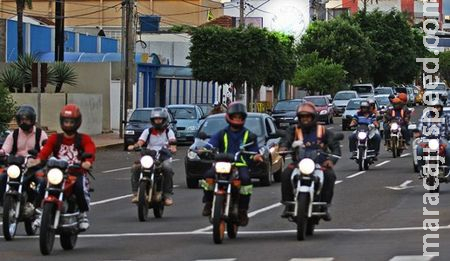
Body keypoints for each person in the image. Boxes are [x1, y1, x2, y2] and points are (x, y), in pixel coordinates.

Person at [27, 104, 96, 231]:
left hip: (76, 173)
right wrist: (37, 160)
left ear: (77, 122)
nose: (68, 124)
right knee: (42, 184)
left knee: (80, 188)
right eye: (66, 121)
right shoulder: (55, 138)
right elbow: (46, 150)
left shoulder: (84, 138)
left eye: (71, 122)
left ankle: (82, 215)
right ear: (61, 122)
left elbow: (90, 149)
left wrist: (87, 162)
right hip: (58, 173)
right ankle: (40, 212)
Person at [200, 102, 264, 226]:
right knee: (208, 175)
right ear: (229, 117)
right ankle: (208, 202)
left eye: (240, 117)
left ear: (243, 119)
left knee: (245, 180)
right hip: (222, 163)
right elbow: (211, 144)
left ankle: (242, 211)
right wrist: (204, 149)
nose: (237, 119)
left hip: (240, 164)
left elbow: (254, 150)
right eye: (234, 117)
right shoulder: (222, 133)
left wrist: (256, 156)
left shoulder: (249, 135)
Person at [279, 102, 341, 221]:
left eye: (307, 116)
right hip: (299, 163)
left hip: (319, 164)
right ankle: (288, 204)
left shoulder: (322, 130)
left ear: (313, 117)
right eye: (302, 117)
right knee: (286, 174)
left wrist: (331, 160)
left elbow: (335, 147)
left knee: (330, 176)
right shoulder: (294, 130)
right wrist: (283, 147)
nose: (305, 119)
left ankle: (324, 206)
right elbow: (285, 140)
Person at [0, 105, 48, 216]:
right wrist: (2, 153)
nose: (23, 122)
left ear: (32, 120)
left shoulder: (41, 134)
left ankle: (35, 204)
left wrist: (39, 154)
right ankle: (3, 204)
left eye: (26, 120)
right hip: (17, 165)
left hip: (34, 166)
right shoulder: (14, 134)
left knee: (41, 181)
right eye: (21, 120)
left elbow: (46, 149)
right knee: (2, 178)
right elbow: (6, 149)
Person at [128, 108, 177, 206]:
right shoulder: (148, 131)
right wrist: (135, 146)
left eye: (160, 119)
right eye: (156, 119)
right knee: (136, 167)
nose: (158, 121)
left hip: (163, 156)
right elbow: (141, 141)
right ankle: (136, 193)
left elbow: (173, 143)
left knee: (167, 168)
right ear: (152, 120)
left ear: (164, 120)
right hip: (149, 156)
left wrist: (172, 148)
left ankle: (167, 195)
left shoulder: (168, 132)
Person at [415, 99, 450, 174]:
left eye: (438, 107)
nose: (436, 109)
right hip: (427, 138)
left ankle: (447, 169)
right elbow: (420, 126)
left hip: (442, 138)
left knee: (448, 149)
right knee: (419, 149)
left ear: (441, 108)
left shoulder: (446, 116)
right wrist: (418, 132)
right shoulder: (426, 116)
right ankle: (421, 169)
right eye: (434, 107)